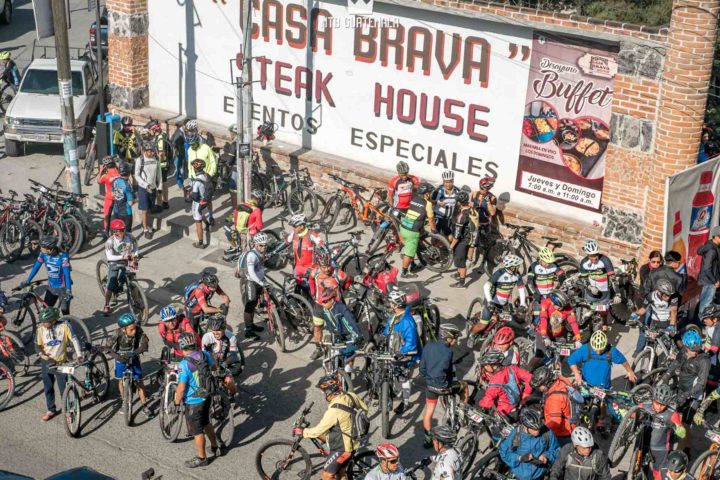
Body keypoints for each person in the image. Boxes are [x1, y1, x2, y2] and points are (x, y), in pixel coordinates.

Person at [295, 375, 369, 480]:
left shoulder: (334, 411)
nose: (323, 394)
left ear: (329, 391)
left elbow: (317, 431)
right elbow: (365, 409)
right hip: (354, 442)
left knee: (327, 475)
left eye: (323, 392)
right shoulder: (351, 396)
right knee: (341, 474)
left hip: (342, 449)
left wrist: (302, 432)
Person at [174, 332, 222, 468]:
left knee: (197, 430)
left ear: (182, 347)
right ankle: (214, 447)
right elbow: (213, 367)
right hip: (207, 395)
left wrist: (177, 403)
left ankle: (201, 458)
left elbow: (181, 388)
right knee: (206, 422)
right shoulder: (204, 354)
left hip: (193, 401)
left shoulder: (184, 365)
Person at [420, 323, 465, 448]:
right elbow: (448, 370)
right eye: (455, 338)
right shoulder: (448, 351)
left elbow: (422, 368)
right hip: (443, 386)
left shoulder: (428, 345)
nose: (456, 341)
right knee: (464, 386)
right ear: (449, 338)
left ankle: (427, 439)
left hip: (430, 385)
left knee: (428, 413)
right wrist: (449, 383)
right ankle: (463, 409)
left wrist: (428, 379)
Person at [35, 307, 82, 421]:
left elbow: (74, 339)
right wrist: (45, 357)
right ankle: (51, 409)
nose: (43, 324)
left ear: (53, 320)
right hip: (47, 362)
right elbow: (37, 346)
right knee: (48, 387)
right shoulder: (40, 329)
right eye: (42, 322)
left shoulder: (65, 326)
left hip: (62, 362)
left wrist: (79, 354)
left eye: (45, 322)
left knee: (63, 389)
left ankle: (67, 411)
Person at [468, 254, 527, 344]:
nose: (518, 267)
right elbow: (486, 287)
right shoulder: (499, 273)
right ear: (511, 267)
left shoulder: (517, 275)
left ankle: (492, 337)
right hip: (492, 301)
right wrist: (489, 302)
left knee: (505, 322)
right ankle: (471, 335)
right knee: (483, 325)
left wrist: (522, 304)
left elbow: (521, 289)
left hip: (504, 303)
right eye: (517, 266)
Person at [382, 288, 421, 415]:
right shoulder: (395, 317)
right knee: (394, 375)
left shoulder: (407, 322)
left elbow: (411, 344)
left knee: (403, 379)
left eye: (391, 302)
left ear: (396, 304)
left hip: (403, 356)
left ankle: (405, 402)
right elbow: (387, 330)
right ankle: (395, 391)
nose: (389, 305)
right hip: (393, 352)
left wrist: (399, 354)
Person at [636, 384, 686, 478]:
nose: (659, 407)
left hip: (661, 450)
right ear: (653, 399)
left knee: (658, 474)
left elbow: (683, 433)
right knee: (639, 470)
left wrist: (675, 427)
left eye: (662, 405)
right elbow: (630, 415)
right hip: (642, 444)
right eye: (657, 403)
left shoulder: (672, 414)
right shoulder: (644, 406)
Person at [661, 329, 710, 424]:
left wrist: (687, 394)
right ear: (685, 346)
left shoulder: (704, 361)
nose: (695, 353)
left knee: (686, 423)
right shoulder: (683, 351)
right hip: (682, 388)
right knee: (675, 414)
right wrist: (667, 375)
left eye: (697, 349)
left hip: (694, 395)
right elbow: (676, 362)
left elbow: (701, 384)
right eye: (692, 350)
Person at [498, 408, 560, 480]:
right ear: (525, 427)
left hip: (540, 474)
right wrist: (519, 458)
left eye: (539, 428)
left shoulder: (547, 433)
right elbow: (504, 452)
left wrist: (546, 456)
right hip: (520, 476)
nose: (537, 432)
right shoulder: (516, 434)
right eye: (534, 429)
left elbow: (557, 450)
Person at [110, 313, 152, 416]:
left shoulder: (138, 330)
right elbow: (108, 348)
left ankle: (144, 404)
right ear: (124, 329)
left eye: (135, 328)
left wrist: (135, 353)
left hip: (134, 356)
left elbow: (144, 344)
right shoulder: (117, 333)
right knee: (120, 380)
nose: (134, 331)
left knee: (139, 381)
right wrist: (117, 357)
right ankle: (124, 401)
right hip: (121, 358)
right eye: (131, 330)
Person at [530, 289, 581, 371]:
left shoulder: (566, 307)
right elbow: (543, 319)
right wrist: (544, 336)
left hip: (558, 333)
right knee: (539, 356)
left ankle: (556, 366)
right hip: (544, 332)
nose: (561, 308)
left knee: (562, 353)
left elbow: (573, 322)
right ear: (553, 303)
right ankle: (528, 370)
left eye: (563, 307)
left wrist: (578, 338)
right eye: (559, 306)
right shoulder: (545, 303)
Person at [531, 367, 584, 444]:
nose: (538, 388)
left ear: (546, 383)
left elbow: (554, 424)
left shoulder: (554, 399)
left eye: (540, 386)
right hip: (574, 424)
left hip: (564, 433)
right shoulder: (562, 381)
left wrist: (539, 430)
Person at [310, 287, 362, 366]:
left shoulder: (341, 308)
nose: (322, 304)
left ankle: (347, 374)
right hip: (337, 335)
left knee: (349, 357)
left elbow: (351, 323)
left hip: (349, 335)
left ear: (332, 300)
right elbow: (329, 323)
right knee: (334, 360)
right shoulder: (325, 310)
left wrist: (357, 336)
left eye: (324, 301)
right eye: (322, 302)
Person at [21, 236, 72, 315]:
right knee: (46, 312)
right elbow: (36, 267)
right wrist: (27, 280)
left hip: (63, 288)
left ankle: (68, 326)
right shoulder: (43, 254)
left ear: (50, 249)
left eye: (42, 247)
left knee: (65, 311)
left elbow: (67, 274)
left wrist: (68, 290)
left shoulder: (63, 256)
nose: (40, 249)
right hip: (51, 287)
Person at [568, 330, 636, 389]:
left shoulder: (611, 351)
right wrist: (576, 373)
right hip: (586, 385)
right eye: (596, 350)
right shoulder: (585, 348)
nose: (598, 352)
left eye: (601, 349)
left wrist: (630, 371)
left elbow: (622, 360)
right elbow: (571, 360)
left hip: (604, 388)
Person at [478, 350, 533, 417]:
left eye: (486, 366)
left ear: (494, 366)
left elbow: (488, 401)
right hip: (519, 401)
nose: (485, 367)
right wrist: (526, 393)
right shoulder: (512, 368)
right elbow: (530, 378)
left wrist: (481, 406)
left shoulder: (494, 382)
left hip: (505, 411)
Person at [397, 182, 435, 279]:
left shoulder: (414, 199)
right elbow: (431, 219)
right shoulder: (428, 204)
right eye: (430, 192)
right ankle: (405, 272)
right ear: (426, 193)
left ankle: (412, 265)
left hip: (404, 226)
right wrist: (434, 230)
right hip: (412, 231)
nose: (431, 194)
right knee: (409, 254)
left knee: (412, 247)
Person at [631, 279, 678, 354]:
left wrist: (672, 325)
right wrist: (635, 314)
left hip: (668, 323)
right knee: (651, 343)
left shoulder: (673, 297)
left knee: (668, 346)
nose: (668, 297)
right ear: (659, 292)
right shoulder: (650, 296)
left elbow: (674, 311)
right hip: (655, 323)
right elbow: (643, 309)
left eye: (669, 295)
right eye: (666, 295)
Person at [103, 219, 139, 315]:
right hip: (114, 261)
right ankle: (106, 304)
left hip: (129, 258)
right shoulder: (110, 242)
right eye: (118, 231)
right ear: (114, 232)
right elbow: (109, 257)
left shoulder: (130, 237)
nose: (120, 232)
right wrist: (122, 257)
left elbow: (136, 246)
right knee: (110, 285)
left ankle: (136, 302)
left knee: (133, 280)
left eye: (122, 230)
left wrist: (135, 255)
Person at [201, 314, 242, 398]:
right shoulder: (206, 337)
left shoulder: (231, 337)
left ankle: (232, 397)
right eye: (214, 330)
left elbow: (234, 356)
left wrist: (223, 366)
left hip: (225, 362)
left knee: (231, 385)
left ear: (224, 328)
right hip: (211, 361)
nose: (216, 333)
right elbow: (204, 355)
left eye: (219, 330)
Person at [237, 232, 269, 340]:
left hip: (258, 281)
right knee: (249, 306)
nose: (263, 248)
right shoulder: (251, 255)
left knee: (254, 304)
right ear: (255, 244)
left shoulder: (261, 252)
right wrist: (261, 283)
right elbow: (251, 272)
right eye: (261, 245)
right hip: (250, 282)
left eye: (265, 245)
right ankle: (248, 330)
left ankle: (251, 325)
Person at [282, 213, 326, 284]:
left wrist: (325, 258)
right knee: (298, 288)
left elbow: (323, 246)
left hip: (310, 268)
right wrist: (273, 252)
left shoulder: (311, 234)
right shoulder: (294, 233)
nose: (293, 228)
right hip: (297, 267)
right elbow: (286, 243)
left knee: (311, 288)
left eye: (295, 226)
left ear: (301, 226)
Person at [527, 248, 566, 325]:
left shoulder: (554, 265)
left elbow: (560, 273)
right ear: (541, 259)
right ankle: (534, 329)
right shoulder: (534, 266)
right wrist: (534, 293)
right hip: (539, 295)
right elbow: (529, 281)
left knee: (551, 314)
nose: (548, 264)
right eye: (546, 262)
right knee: (538, 313)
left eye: (549, 262)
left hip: (550, 295)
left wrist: (562, 276)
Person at [187, 132, 217, 225]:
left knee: (208, 199)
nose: (192, 146)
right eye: (190, 145)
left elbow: (213, 161)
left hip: (205, 178)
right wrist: (190, 177)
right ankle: (201, 218)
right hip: (194, 179)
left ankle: (211, 216)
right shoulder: (189, 150)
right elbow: (189, 165)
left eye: (194, 144)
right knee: (197, 200)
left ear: (197, 142)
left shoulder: (205, 148)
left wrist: (210, 174)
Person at [578, 239, 620, 305]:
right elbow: (583, 278)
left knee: (602, 313)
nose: (594, 258)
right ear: (587, 255)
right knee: (589, 311)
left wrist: (617, 294)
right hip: (590, 293)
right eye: (591, 256)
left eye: (596, 255)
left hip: (604, 293)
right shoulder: (584, 262)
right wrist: (590, 287)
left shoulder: (605, 260)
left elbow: (613, 279)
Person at [448, 190, 476, 289]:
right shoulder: (472, 209)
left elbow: (457, 235)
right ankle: (459, 274)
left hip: (463, 239)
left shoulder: (462, 215)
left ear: (459, 202)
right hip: (471, 238)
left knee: (460, 261)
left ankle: (462, 282)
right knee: (461, 258)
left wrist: (451, 246)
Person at [469, 176, 498, 271]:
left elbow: (493, 213)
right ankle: (470, 261)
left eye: (483, 189)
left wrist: (488, 202)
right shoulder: (473, 194)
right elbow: (469, 205)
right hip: (474, 223)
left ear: (488, 188)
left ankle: (482, 264)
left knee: (484, 246)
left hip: (485, 225)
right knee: (471, 243)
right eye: (480, 187)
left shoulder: (493, 198)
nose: (481, 190)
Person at [135, 140, 162, 239]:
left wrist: (160, 188)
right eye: (149, 151)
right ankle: (145, 229)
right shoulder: (140, 160)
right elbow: (137, 175)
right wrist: (146, 185)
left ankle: (147, 223)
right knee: (144, 210)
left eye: (153, 151)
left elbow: (159, 175)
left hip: (153, 188)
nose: (152, 153)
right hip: (143, 189)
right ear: (144, 151)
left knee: (150, 208)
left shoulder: (156, 159)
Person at [223, 190, 264, 255]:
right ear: (258, 200)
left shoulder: (241, 205)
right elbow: (260, 226)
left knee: (227, 233)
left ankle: (236, 247)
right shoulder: (257, 210)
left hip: (238, 232)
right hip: (249, 235)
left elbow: (235, 218)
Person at [146, 119, 172, 210]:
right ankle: (165, 202)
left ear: (154, 129)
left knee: (159, 185)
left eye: (150, 129)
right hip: (164, 165)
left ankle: (159, 205)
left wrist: (151, 155)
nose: (149, 131)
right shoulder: (163, 135)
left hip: (161, 165)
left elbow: (161, 155)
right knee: (164, 184)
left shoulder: (160, 139)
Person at [190, 158, 214, 249]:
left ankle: (200, 243)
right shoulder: (206, 175)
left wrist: (189, 194)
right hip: (206, 201)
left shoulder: (196, 181)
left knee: (198, 221)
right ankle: (207, 224)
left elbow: (195, 196)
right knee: (202, 213)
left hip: (198, 203)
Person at [697, 226, 720, 316]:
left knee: (704, 304)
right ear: (716, 236)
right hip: (709, 282)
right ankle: (701, 326)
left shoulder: (712, 246)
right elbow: (707, 268)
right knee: (705, 306)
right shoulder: (712, 250)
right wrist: (715, 281)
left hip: (708, 281)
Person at [97, 155, 120, 238]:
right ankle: (119, 233)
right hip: (118, 198)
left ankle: (106, 234)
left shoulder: (106, 176)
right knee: (118, 216)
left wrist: (100, 170)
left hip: (109, 198)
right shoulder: (119, 173)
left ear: (105, 166)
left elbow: (98, 181)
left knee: (107, 216)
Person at [432, 170, 459, 237]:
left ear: (453, 181)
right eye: (446, 182)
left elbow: (459, 204)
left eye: (450, 182)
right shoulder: (438, 190)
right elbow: (431, 201)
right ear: (443, 181)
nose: (448, 184)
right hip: (438, 217)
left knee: (450, 238)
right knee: (435, 236)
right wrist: (438, 203)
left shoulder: (457, 191)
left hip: (449, 219)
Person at [110, 161, 136, 231]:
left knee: (118, 231)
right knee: (127, 233)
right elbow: (130, 203)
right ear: (128, 172)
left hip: (116, 211)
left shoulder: (115, 180)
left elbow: (112, 195)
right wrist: (138, 199)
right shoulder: (127, 186)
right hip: (126, 213)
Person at [700, 304, 720, 382]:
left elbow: (714, 350)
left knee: (712, 377)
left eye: (706, 318)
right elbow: (708, 344)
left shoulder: (718, 329)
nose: (704, 320)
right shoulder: (711, 327)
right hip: (714, 353)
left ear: (714, 319)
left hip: (716, 353)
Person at [170, 120, 188, 189]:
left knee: (181, 169)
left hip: (181, 153)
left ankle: (181, 184)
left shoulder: (182, 132)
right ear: (183, 126)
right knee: (180, 170)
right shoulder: (179, 133)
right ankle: (180, 186)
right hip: (178, 154)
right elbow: (174, 144)